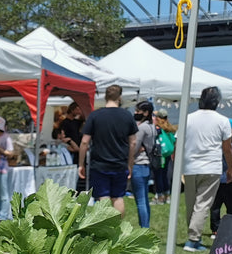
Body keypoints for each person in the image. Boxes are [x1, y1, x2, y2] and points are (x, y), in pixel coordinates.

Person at [180, 86, 232, 252]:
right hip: (211, 166)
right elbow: (227, 148)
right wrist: (230, 169)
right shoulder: (222, 121)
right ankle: (193, 240)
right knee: (203, 204)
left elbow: (179, 143)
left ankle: (192, 235)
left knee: (191, 203)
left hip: (190, 166)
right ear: (217, 103)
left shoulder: (188, 118)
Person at [79, 84, 137, 216]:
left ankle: (103, 228)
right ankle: (117, 228)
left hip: (99, 164)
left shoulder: (95, 116)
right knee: (118, 197)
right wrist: (130, 164)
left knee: (103, 197)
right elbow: (133, 142)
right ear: (120, 97)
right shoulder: (127, 116)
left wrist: (81, 164)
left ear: (105, 97)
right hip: (120, 164)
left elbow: (84, 141)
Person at [209, 118, 232, 236]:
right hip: (229, 180)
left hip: (215, 179)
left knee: (215, 206)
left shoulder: (213, 144)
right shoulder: (229, 145)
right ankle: (231, 227)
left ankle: (215, 229)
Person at [130, 100, 157, 227]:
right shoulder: (152, 126)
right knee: (144, 199)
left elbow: (134, 146)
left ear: (146, 112)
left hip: (138, 164)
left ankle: (144, 227)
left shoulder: (141, 128)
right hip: (146, 165)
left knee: (140, 200)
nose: (135, 113)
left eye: (138, 111)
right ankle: (146, 225)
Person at [53, 101, 85, 191]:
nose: (79, 111)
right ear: (72, 110)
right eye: (77, 109)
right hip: (69, 149)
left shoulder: (76, 122)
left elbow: (85, 117)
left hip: (78, 148)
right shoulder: (65, 123)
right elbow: (62, 136)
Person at [151, 110, 176, 204]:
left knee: (158, 176)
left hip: (159, 155)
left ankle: (160, 197)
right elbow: (173, 140)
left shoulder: (158, 128)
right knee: (165, 175)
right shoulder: (169, 127)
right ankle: (167, 196)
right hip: (167, 154)